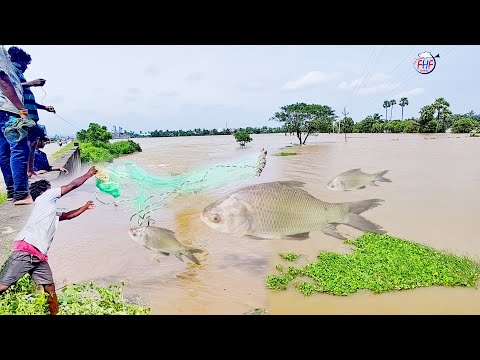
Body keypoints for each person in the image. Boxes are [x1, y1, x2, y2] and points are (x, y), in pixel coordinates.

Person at [0, 166, 98, 315]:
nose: (56, 191)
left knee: (50, 287)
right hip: (25, 250)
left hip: (39, 255)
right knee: (3, 286)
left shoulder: (47, 209)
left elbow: (67, 215)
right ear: (45, 191)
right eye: (51, 189)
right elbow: (72, 185)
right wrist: (89, 174)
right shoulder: (45, 197)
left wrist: (84, 207)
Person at [7, 46, 56, 179]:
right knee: (23, 146)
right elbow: (11, 86)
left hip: (31, 114)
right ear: (17, 59)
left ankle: (30, 171)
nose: (26, 67)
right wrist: (32, 83)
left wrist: (44, 107)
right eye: (24, 63)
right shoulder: (11, 70)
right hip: (22, 114)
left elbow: (28, 97)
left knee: (33, 143)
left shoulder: (20, 73)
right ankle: (24, 175)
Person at [0, 45, 33, 205]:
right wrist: (22, 109)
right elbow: (2, 79)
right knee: (19, 148)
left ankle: (13, 192)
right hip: (7, 109)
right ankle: (21, 194)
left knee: (4, 152)